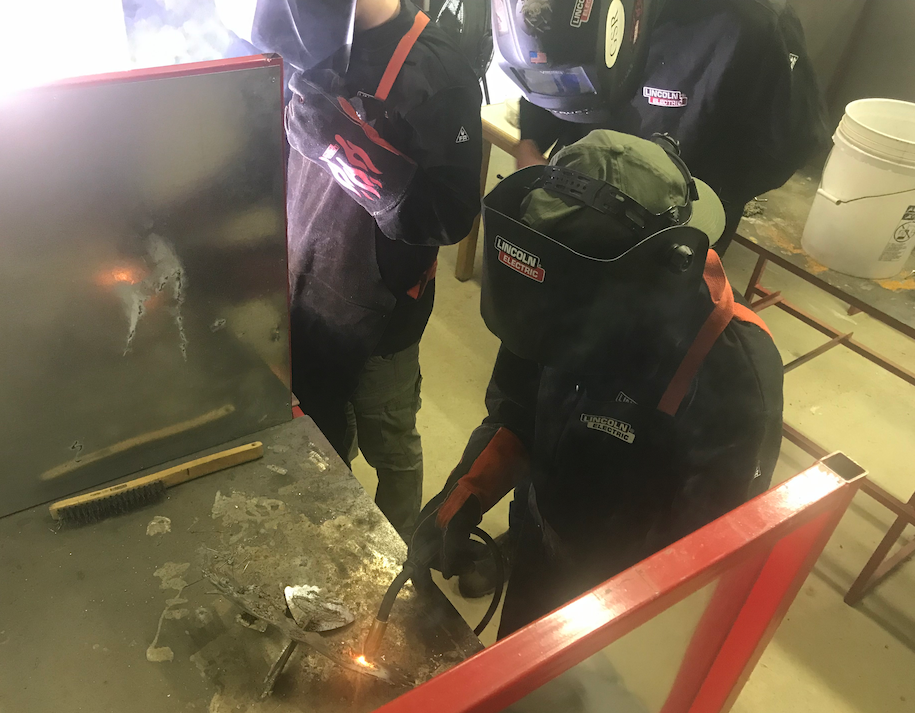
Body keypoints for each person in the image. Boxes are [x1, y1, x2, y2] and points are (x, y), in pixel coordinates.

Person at [409, 130, 784, 635]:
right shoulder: (555, 295)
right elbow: (519, 408)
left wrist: (608, 611)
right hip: (540, 531)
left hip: (625, 588)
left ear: (661, 267)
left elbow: (706, 541)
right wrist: (467, 493)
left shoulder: (733, 373)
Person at [283, 0, 483, 538]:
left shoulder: (437, 75)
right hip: (309, 289)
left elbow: (449, 215)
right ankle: (347, 543)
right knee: (329, 439)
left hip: (383, 317)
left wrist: (340, 146)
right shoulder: (308, 38)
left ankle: (400, 553)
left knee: (390, 444)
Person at [495, 0, 827, 253]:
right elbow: (549, 62)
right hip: (571, 201)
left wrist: (693, 200)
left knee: (639, 321)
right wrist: (530, 143)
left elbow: (787, 144)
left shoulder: (753, 23)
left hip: (667, 230)